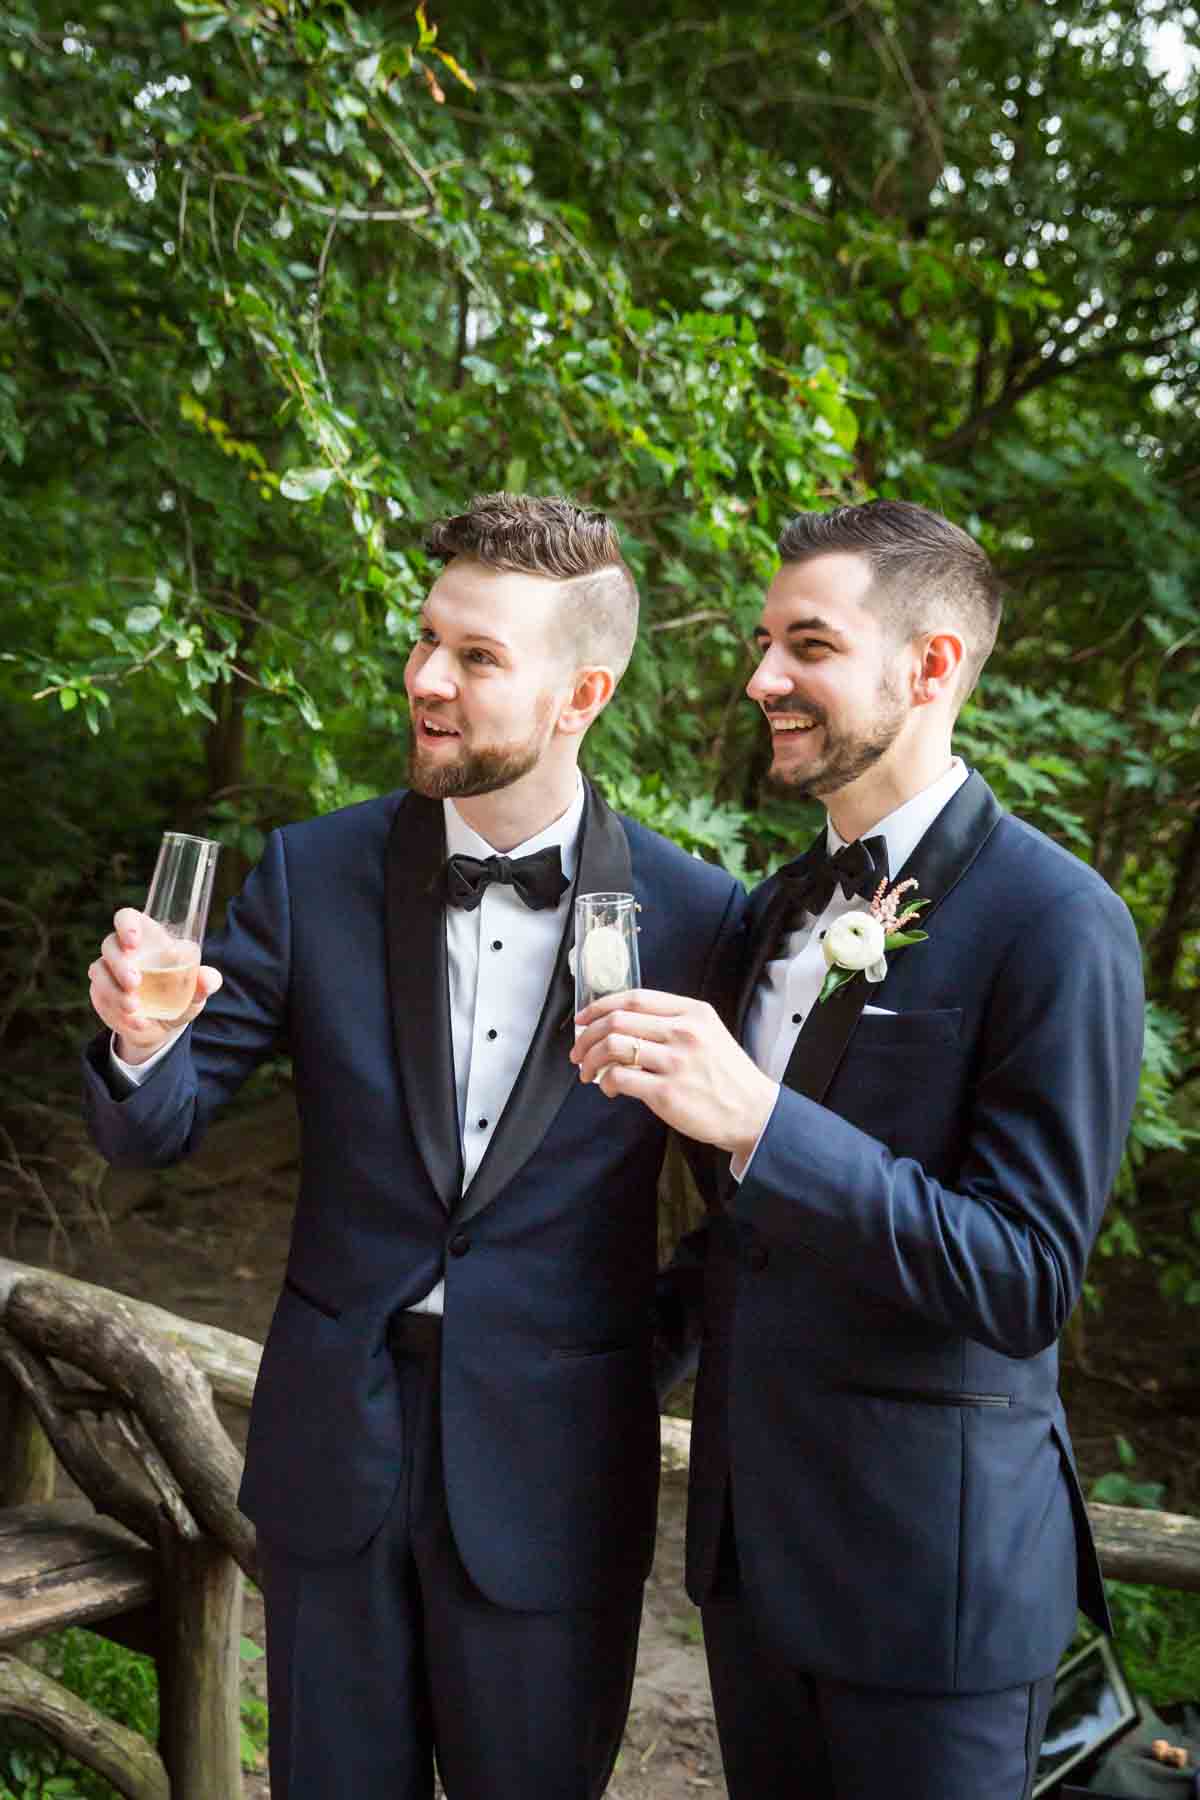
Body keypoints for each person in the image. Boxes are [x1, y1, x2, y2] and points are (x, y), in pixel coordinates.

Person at [83, 493, 745, 1800]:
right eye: (427, 639)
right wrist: (136, 1040)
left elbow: (749, 1207)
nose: (427, 679)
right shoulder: (307, 873)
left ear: (583, 694)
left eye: (479, 656)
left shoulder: (697, 916)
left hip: (560, 1478)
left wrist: (618, 1353)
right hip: (339, 1464)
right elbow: (151, 1127)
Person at [571, 499, 1144, 1800]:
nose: (764, 676)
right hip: (749, 1570)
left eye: (808, 645)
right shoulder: (777, 910)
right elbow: (754, 1239)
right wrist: (573, 1364)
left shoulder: (1057, 922)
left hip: (934, 1602)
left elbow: (1024, 1274)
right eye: (766, 642)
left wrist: (764, 1122)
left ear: (932, 665)